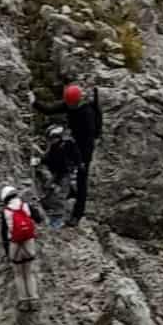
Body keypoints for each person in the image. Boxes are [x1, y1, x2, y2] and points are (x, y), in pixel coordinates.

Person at [33, 82, 103, 225]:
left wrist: (81, 161)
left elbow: (90, 138)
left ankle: (77, 214)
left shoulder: (87, 112)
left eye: (70, 104)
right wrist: (34, 102)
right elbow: (50, 109)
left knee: (82, 179)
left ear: (77, 101)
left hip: (85, 147)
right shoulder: (69, 103)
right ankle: (62, 188)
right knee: (58, 158)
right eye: (68, 104)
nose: (68, 106)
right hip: (73, 141)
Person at [0, 184, 43, 306]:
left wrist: (7, 252)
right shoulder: (26, 206)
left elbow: (3, 233)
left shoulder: (5, 212)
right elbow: (39, 218)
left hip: (15, 245)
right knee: (29, 273)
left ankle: (23, 301)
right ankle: (34, 300)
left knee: (18, 274)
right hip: (29, 243)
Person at [35, 124, 82, 226]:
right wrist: (39, 161)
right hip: (58, 173)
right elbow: (48, 158)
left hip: (67, 173)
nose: (50, 141)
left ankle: (58, 220)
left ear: (58, 137)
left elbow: (77, 159)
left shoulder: (69, 145)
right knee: (47, 189)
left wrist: (75, 173)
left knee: (60, 196)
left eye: (52, 138)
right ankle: (48, 207)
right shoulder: (54, 147)